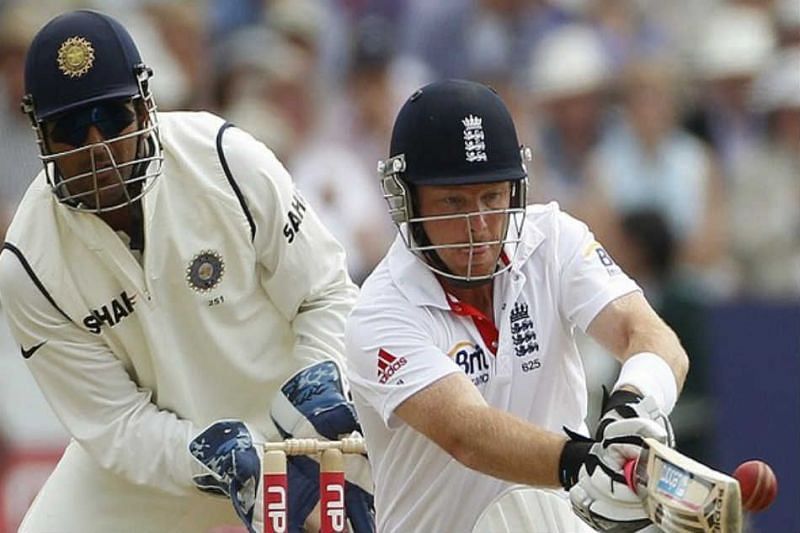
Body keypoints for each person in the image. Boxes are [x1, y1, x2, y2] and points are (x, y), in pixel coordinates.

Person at [0, 10, 373, 533]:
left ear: (144, 106)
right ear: (41, 137)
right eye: (69, 128)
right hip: (169, 458)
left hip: (299, 424)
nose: (97, 146)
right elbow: (114, 425)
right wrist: (211, 456)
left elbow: (325, 294)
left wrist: (317, 388)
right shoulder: (27, 263)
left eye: (111, 116)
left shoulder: (225, 159)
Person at [345, 79, 689, 532]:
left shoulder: (552, 239)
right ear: (408, 199)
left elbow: (647, 336)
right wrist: (583, 463)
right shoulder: (380, 311)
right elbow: (466, 433)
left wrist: (632, 407)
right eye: (453, 202)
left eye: (492, 196)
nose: (479, 226)